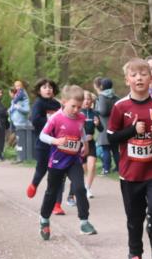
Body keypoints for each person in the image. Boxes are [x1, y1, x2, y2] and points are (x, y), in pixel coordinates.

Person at [107, 59, 152, 259]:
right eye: (134, 75)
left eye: (143, 74)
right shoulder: (120, 107)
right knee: (134, 217)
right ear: (127, 80)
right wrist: (132, 130)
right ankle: (135, 253)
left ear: (150, 78)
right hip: (130, 173)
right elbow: (111, 138)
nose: (139, 78)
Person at [39, 85, 97, 239]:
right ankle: (44, 220)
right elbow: (42, 136)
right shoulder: (55, 118)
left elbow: (81, 130)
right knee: (52, 192)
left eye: (79, 107)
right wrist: (56, 140)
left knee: (79, 188)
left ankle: (84, 222)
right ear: (64, 102)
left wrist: (84, 144)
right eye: (73, 106)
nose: (76, 110)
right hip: (57, 161)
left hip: (73, 160)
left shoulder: (81, 117)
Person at [25, 79, 64, 213]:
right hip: (43, 143)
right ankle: (34, 184)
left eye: (50, 87)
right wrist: (51, 120)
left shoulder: (58, 104)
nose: (48, 89)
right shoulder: (38, 104)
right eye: (44, 87)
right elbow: (35, 120)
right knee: (41, 169)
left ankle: (57, 205)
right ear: (39, 90)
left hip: (58, 144)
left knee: (59, 174)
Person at [95, 78, 119, 174]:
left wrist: (96, 111)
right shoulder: (116, 97)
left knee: (106, 149)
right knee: (115, 149)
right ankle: (119, 168)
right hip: (115, 126)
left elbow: (103, 111)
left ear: (102, 86)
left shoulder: (102, 97)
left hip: (104, 125)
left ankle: (106, 169)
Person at [8, 80, 32, 162]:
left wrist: (18, 107)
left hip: (21, 124)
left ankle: (22, 157)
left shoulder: (23, 98)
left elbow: (27, 110)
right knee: (16, 141)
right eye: (16, 86)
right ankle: (19, 156)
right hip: (16, 124)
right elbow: (12, 109)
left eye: (18, 86)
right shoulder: (15, 100)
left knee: (20, 141)